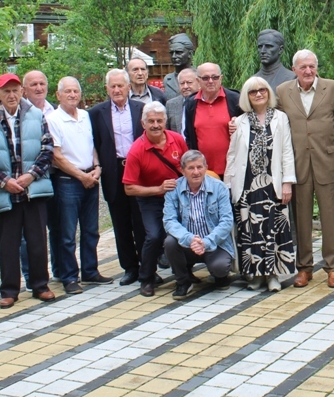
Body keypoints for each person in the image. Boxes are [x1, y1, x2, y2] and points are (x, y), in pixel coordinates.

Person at [0, 73, 55, 309]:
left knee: (38, 241)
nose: (11, 95)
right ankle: (9, 290)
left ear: (22, 92)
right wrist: (4, 181)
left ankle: (40, 285)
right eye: (6, 91)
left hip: (33, 189)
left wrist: (31, 175)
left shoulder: (36, 116)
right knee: (8, 244)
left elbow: (47, 149)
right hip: (5, 192)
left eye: (15, 90)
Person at [276, 50, 334, 289]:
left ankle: (333, 268)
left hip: (327, 161)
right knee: (302, 218)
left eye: (312, 66)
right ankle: (304, 268)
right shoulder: (283, 91)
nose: (308, 71)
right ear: (294, 69)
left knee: (330, 217)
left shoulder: (332, 88)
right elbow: (278, 127)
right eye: (303, 67)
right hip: (298, 164)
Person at [226, 77, 296, 292]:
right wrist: (228, 185)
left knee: (273, 230)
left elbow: (286, 151)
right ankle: (255, 275)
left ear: (268, 93)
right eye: (253, 91)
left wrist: (287, 183)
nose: (258, 94)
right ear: (246, 96)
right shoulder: (239, 122)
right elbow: (232, 155)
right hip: (246, 185)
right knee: (250, 230)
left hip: (272, 183)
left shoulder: (280, 118)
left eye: (262, 90)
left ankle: (273, 275)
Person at [46, 77, 112, 295]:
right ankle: (69, 277)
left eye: (76, 91)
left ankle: (90, 271)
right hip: (68, 181)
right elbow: (56, 157)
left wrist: (97, 167)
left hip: (90, 177)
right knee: (67, 233)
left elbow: (92, 145)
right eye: (68, 91)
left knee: (91, 230)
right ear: (58, 95)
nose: (72, 95)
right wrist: (80, 176)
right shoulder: (52, 119)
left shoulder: (84, 116)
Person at [123, 102, 189, 296]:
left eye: (159, 121)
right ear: (143, 124)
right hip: (151, 199)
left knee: (181, 234)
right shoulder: (136, 150)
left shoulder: (177, 140)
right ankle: (147, 278)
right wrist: (157, 189)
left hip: (177, 198)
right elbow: (129, 188)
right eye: (151, 121)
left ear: (165, 121)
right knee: (153, 236)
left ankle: (185, 274)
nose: (155, 125)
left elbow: (188, 166)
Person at [89, 69, 148, 286]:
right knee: (121, 223)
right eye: (112, 86)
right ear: (107, 89)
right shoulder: (96, 113)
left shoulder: (141, 109)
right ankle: (130, 268)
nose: (116, 90)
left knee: (142, 221)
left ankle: (147, 266)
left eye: (120, 85)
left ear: (128, 87)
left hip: (138, 171)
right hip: (114, 171)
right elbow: (94, 143)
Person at [163, 150, 236, 299]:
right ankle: (183, 281)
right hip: (188, 243)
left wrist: (207, 241)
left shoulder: (219, 187)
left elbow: (227, 221)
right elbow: (169, 221)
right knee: (169, 242)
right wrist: (189, 239)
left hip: (215, 243)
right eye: (190, 168)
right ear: (182, 170)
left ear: (206, 167)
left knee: (220, 268)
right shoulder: (173, 189)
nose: (196, 172)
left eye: (199, 167)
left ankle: (220, 276)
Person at [20, 70, 53, 290]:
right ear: (24, 89)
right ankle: (31, 276)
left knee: (51, 229)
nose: (39, 88)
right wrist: (31, 174)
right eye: (33, 84)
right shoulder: (19, 113)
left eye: (42, 83)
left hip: (53, 178)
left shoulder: (53, 110)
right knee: (28, 233)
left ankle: (52, 272)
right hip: (28, 181)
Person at [183, 62, 242, 178]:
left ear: (221, 78)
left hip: (233, 169)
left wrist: (238, 125)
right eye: (205, 78)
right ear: (198, 80)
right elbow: (188, 136)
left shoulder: (235, 100)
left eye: (215, 77)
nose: (210, 81)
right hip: (203, 171)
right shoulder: (191, 103)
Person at [166, 67, 199, 135]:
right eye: (182, 83)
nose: (185, 86)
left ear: (199, 83)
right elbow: (167, 132)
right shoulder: (171, 104)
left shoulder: (205, 102)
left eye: (189, 82)